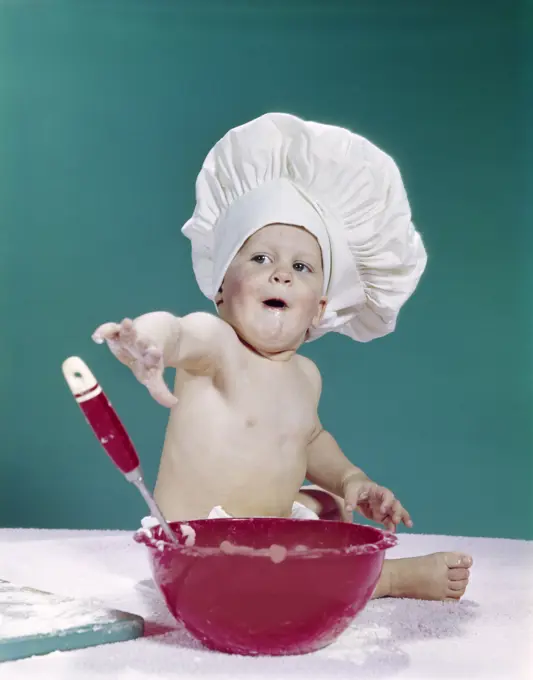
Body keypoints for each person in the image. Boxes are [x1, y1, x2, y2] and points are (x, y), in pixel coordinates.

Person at [93, 113, 472, 601]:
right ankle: (389, 580)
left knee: (329, 507)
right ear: (221, 290)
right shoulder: (217, 347)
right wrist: (145, 343)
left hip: (265, 537)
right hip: (194, 551)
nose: (281, 275)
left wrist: (352, 478)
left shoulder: (305, 376)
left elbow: (309, 438)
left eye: (300, 266)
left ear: (319, 309)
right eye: (259, 259)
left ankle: (332, 541)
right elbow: (177, 331)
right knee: (287, 577)